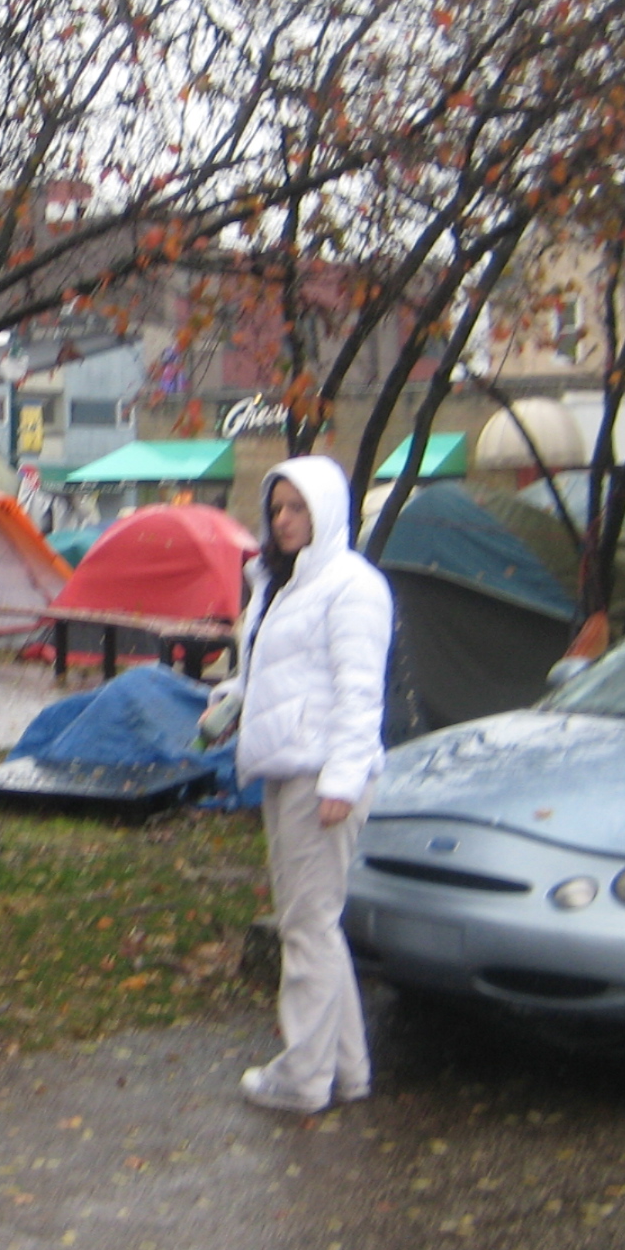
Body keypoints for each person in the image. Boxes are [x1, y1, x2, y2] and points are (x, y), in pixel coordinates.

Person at [205, 455, 394, 1116]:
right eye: (277, 508)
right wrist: (232, 700)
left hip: (323, 777)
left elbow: (359, 691)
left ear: (327, 510)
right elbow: (273, 672)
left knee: (308, 930)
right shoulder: (281, 584)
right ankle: (347, 1068)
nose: (284, 520)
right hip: (287, 769)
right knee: (313, 925)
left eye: (297, 508)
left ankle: (304, 1078)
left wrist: (342, 780)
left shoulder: (353, 586)